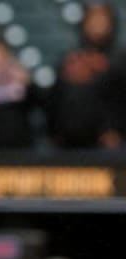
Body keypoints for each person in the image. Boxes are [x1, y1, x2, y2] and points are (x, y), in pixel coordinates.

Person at [47, 2, 121, 149]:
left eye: (102, 17)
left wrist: (115, 129)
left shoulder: (120, 60)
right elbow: (54, 98)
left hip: (110, 145)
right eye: (93, 18)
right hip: (68, 144)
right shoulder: (71, 59)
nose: (97, 23)